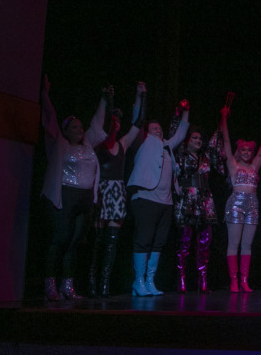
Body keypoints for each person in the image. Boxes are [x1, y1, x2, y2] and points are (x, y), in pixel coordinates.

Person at [39, 77, 107, 300]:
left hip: (85, 199)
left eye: (81, 126)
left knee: (76, 241)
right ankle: (50, 285)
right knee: (61, 238)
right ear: (66, 130)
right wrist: (45, 96)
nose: (80, 130)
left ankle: (67, 286)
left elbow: (97, 123)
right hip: (65, 195)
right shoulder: (60, 144)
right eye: (75, 127)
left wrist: (105, 99)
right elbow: (50, 120)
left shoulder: (88, 146)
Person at [128, 98, 190, 296]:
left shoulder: (167, 146)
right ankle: (138, 281)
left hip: (166, 201)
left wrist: (186, 111)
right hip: (146, 198)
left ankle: (149, 280)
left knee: (159, 241)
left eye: (160, 128)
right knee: (144, 239)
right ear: (147, 131)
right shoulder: (143, 143)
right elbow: (137, 122)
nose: (159, 130)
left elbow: (181, 132)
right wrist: (140, 97)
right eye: (154, 128)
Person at [89, 83, 144, 297]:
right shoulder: (97, 144)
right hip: (100, 191)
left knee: (112, 242)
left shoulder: (123, 143)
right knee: (97, 241)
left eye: (118, 122)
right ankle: (92, 282)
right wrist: (107, 100)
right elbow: (101, 125)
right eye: (113, 121)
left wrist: (141, 96)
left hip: (117, 193)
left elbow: (138, 123)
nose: (115, 125)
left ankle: (104, 284)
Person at [171, 115, 225, 294]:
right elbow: (174, 133)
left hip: (204, 200)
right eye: (194, 137)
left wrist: (222, 119)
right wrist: (180, 113)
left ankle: (203, 280)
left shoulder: (206, 157)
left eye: (200, 138)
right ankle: (181, 280)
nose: (198, 140)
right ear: (187, 140)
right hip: (187, 199)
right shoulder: (181, 154)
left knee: (204, 243)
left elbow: (215, 140)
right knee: (184, 242)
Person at [220, 107, 261, 293]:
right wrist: (223, 118)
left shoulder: (255, 166)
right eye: (243, 149)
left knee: (247, 244)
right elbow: (225, 141)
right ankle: (233, 280)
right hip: (236, 204)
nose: (247, 152)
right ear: (238, 151)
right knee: (234, 243)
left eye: (249, 149)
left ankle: (244, 280)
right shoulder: (233, 164)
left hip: (253, 204)